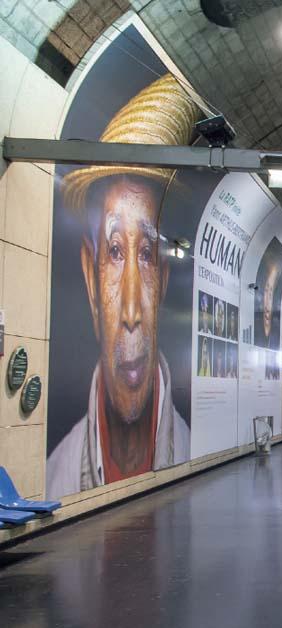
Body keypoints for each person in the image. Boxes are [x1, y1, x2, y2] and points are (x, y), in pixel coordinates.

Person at [47, 75, 196, 500]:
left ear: (164, 281)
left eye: (146, 253)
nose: (131, 311)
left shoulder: (189, 447)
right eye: (114, 252)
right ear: (91, 282)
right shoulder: (55, 476)